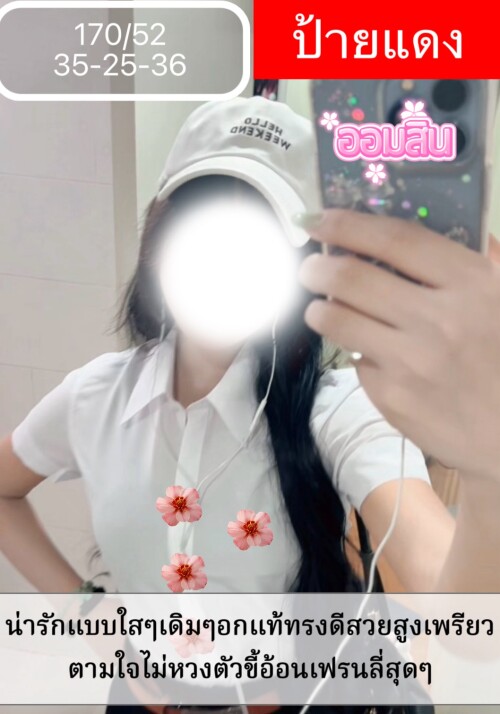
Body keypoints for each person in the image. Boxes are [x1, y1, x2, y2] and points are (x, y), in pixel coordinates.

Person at [0, 95, 499, 713]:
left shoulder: (338, 410)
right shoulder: (95, 397)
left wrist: (490, 465)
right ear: (159, 243)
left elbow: (461, 616)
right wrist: (89, 612)